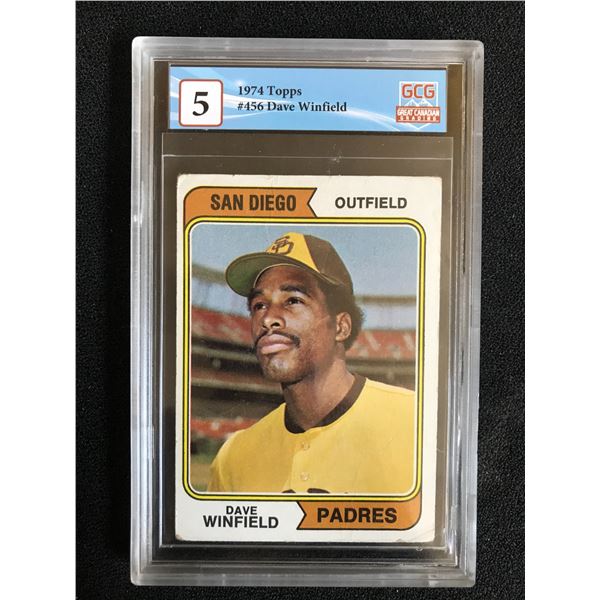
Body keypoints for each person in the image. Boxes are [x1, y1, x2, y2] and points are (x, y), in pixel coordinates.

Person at [207, 232, 416, 494]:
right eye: (259, 305)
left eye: (293, 300)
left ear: (340, 326)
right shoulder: (233, 458)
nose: (268, 319)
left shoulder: (416, 423)